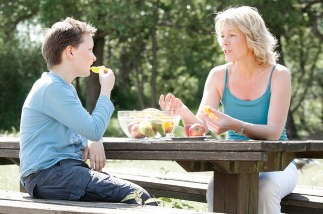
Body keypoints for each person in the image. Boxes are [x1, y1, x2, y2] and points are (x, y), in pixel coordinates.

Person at [159, 6, 298, 214]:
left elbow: (274, 133)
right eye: (222, 35)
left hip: (277, 164)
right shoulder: (217, 75)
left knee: (265, 189)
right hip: (233, 165)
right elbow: (201, 128)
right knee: (216, 189)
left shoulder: (279, 74)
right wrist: (184, 112)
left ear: (252, 37)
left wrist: (234, 124)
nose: (224, 41)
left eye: (232, 35)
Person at [19, 17, 154, 204]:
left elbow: (84, 129)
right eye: (89, 50)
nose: (94, 57)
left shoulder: (63, 87)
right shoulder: (52, 88)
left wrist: (93, 138)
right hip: (51, 175)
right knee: (140, 198)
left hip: (58, 175)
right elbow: (93, 128)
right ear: (70, 52)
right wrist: (105, 90)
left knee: (131, 197)